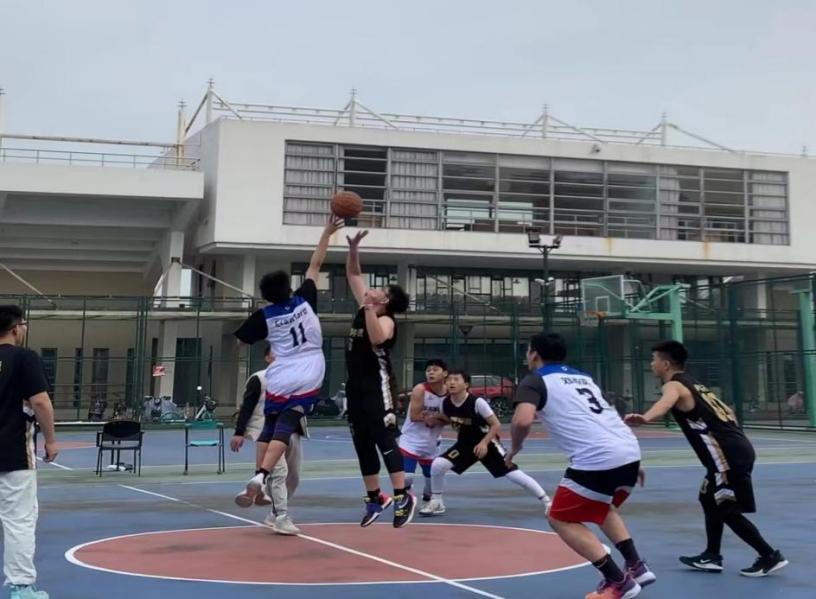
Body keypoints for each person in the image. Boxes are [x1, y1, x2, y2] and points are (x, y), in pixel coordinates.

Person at [626, 340, 787, 578]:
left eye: (654, 359)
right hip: (735, 449)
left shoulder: (674, 385)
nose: (651, 364)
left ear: (666, 364)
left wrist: (646, 418)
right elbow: (729, 412)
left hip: (726, 456)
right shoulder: (697, 385)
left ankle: (769, 555)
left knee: (727, 508)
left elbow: (665, 403)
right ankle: (711, 556)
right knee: (709, 498)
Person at [507, 333, 651, 599]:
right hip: (628, 450)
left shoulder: (534, 380)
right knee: (603, 506)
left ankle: (618, 581)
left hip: (597, 459)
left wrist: (514, 449)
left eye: (527, 351)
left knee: (558, 517)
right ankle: (636, 566)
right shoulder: (584, 378)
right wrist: (628, 460)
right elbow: (607, 415)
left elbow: (522, 420)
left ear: (534, 354)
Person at [233, 217, 342, 508]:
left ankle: (258, 475)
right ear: (288, 287)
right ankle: (262, 476)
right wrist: (327, 233)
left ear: (266, 295)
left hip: (281, 370)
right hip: (309, 367)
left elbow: (241, 341)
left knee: (270, 423)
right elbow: (315, 264)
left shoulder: (263, 316)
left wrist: (262, 330)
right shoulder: (304, 299)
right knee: (289, 422)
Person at [344, 229, 415, 528]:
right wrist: (353, 249)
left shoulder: (385, 319)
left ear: (384, 300)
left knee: (383, 438)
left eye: (379, 289)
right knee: (362, 442)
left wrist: (370, 309)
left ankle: (402, 496)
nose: (371, 288)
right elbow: (353, 273)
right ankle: (375, 497)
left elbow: (377, 338)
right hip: (355, 386)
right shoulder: (367, 306)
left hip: (378, 385)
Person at [420, 369, 551, 517]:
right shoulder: (446, 403)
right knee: (438, 465)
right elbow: (449, 418)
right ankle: (437, 502)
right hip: (465, 445)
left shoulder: (477, 402)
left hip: (488, 443)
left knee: (512, 473)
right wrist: (433, 418)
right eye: (449, 380)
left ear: (466, 384)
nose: (451, 382)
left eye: (456, 380)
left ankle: (547, 501)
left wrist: (483, 443)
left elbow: (496, 425)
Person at [0, 305, 57, 599]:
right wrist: (51, 440)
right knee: (19, 520)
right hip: (13, 453)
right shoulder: (24, 359)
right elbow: (40, 402)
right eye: (23, 325)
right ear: (15, 328)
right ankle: (21, 588)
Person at [230, 344, 304, 535]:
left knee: (293, 477)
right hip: (267, 432)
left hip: (292, 431)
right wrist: (239, 432)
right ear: (267, 358)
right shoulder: (259, 379)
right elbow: (247, 406)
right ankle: (281, 517)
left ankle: (270, 505)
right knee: (279, 473)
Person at [398, 359, 448, 510]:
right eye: (428, 370)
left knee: (431, 482)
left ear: (445, 373)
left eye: (435, 370)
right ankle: (407, 497)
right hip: (411, 440)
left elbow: (451, 418)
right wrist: (434, 418)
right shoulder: (420, 389)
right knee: (406, 477)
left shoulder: (450, 394)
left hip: (432, 442)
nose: (431, 372)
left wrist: (436, 418)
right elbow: (414, 416)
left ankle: (428, 498)